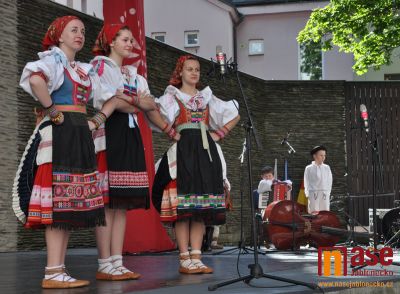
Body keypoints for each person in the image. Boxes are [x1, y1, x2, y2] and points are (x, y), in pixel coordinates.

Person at [14, 16, 105, 289]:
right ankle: (53, 271)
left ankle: (58, 269)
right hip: (60, 134)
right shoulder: (53, 61)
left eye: (83, 31)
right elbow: (36, 79)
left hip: (77, 134)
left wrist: (97, 120)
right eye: (73, 30)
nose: (79, 35)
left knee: (65, 204)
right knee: (58, 202)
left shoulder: (82, 69)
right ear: (59, 36)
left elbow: (115, 95)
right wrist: (52, 110)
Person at [90, 24, 166, 281]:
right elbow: (109, 100)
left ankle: (117, 261)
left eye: (132, 39)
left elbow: (149, 104)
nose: (131, 43)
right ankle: (104, 262)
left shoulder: (134, 74)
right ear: (111, 41)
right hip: (109, 133)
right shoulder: (100, 66)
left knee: (120, 204)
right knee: (107, 201)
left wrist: (128, 99)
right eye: (125, 38)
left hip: (130, 135)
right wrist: (133, 101)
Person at [152, 55, 240, 274]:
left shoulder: (206, 97)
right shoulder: (173, 96)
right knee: (184, 208)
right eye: (189, 69)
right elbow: (152, 110)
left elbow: (234, 113)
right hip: (183, 152)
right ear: (180, 72)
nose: (194, 73)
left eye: (197, 69)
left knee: (200, 209)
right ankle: (184, 257)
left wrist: (219, 134)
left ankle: (197, 256)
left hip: (205, 153)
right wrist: (170, 131)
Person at [304, 145, 333, 213]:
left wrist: (328, 192)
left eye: (324, 155)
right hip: (313, 194)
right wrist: (308, 194)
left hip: (324, 194)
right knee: (314, 212)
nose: (323, 157)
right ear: (315, 156)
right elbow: (306, 181)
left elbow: (330, 181)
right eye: (321, 155)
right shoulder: (309, 168)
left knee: (325, 213)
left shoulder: (327, 167)